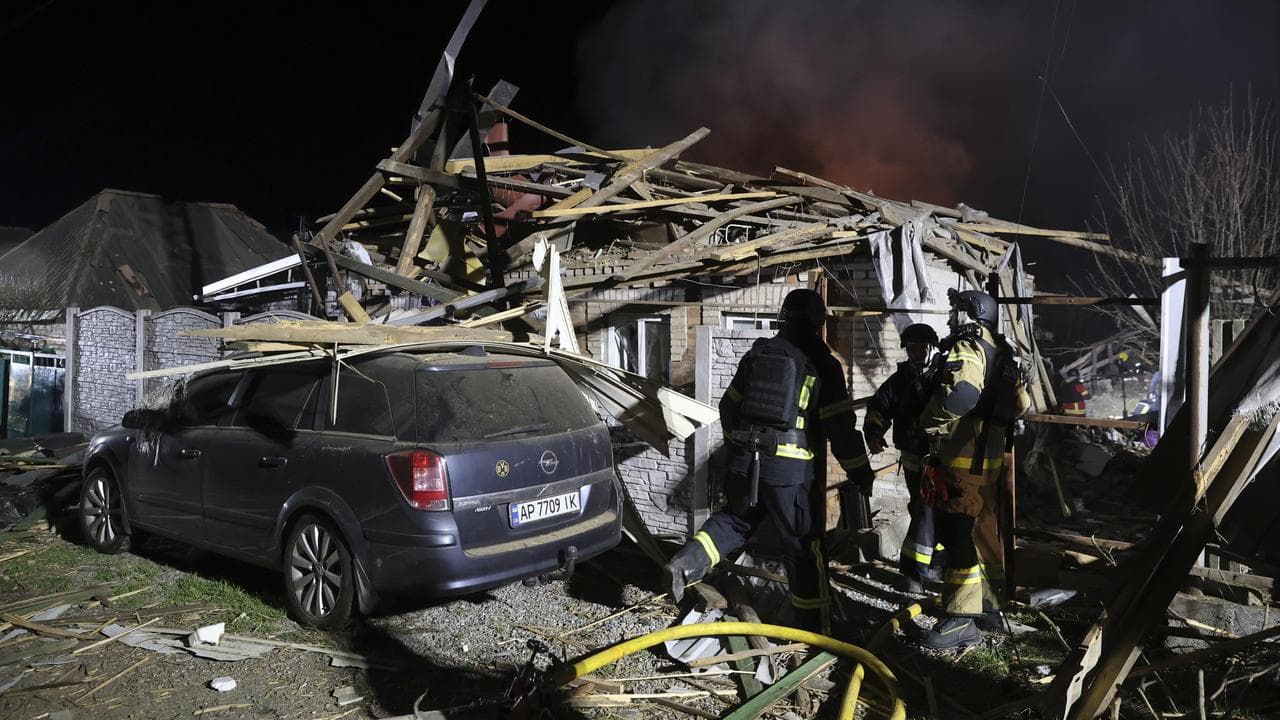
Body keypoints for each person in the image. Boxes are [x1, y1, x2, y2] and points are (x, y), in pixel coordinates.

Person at [661, 288, 876, 634]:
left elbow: (728, 407)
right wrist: (861, 472)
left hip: (746, 462)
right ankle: (816, 630)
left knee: (734, 521)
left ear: (784, 318)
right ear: (819, 322)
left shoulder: (758, 354)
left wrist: (738, 447)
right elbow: (841, 430)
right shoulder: (823, 364)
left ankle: (684, 564)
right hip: (790, 473)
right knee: (803, 547)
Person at [916, 288, 1030, 649]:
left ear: (970, 313)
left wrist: (927, 423)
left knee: (957, 534)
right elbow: (1022, 405)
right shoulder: (1003, 351)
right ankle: (990, 606)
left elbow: (962, 393)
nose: (951, 317)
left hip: (962, 458)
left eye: (956, 311)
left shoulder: (969, 345)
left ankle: (960, 619)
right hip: (989, 460)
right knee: (983, 531)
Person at [863, 322, 944, 594]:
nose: (917, 353)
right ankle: (915, 573)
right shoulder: (900, 381)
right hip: (914, 458)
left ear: (932, 348)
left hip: (945, 458)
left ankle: (933, 565)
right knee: (923, 510)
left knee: (940, 511)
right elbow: (879, 407)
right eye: (912, 348)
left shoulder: (944, 375)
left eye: (922, 347)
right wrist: (874, 434)